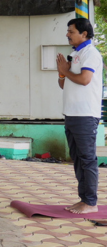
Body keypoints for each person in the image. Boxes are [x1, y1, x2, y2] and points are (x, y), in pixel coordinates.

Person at [56, 18, 102, 214]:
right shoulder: (75, 54)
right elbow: (63, 84)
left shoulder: (90, 53)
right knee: (77, 158)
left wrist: (66, 72)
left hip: (85, 114)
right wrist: (61, 73)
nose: (67, 34)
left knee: (87, 159)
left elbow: (84, 79)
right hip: (71, 113)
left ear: (84, 34)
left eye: (71, 31)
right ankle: (84, 199)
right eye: (68, 31)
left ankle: (91, 202)